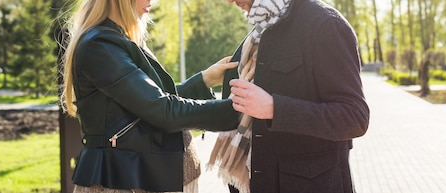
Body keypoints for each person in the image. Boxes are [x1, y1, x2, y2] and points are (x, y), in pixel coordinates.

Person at [59, 1, 240, 192]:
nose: (151, 1)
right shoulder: (100, 46)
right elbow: (162, 111)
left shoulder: (119, 39)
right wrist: (238, 110)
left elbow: (150, 103)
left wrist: (204, 80)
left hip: (142, 180)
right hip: (123, 183)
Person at [207, 0, 370, 192]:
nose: (229, 1)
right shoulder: (260, 31)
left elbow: (355, 117)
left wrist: (275, 109)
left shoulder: (326, 24)